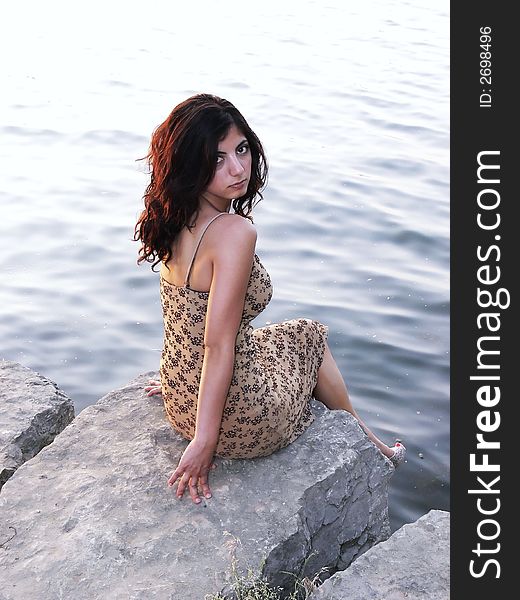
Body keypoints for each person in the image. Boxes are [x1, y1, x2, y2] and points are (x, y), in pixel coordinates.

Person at [134, 93, 406, 505]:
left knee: (286, 337)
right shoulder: (234, 233)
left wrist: (179, 378)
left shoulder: (173, 215)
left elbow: (183, 313)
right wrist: (205, 440)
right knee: (311, 336)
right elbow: (217, 343)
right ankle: (371, 445)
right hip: (242, 416)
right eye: (218, 158)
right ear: (192, 164)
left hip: (180, 398)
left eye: (241, 149)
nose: (238, 168)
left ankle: (371, 443)